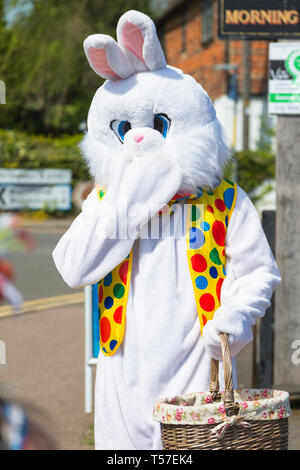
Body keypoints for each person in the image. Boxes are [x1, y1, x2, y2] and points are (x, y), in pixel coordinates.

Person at [52, 11, 281, 450]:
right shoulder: (107, 202)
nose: (140, 140)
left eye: (157, 125)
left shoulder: (225, 201)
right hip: (123, 372)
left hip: (200, 368)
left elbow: (259, 271)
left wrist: (232, 317)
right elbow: (73, 267)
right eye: (124, 130)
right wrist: (133, 198)